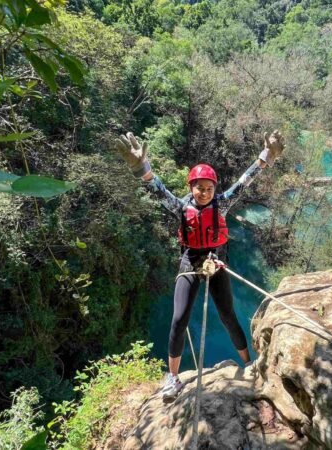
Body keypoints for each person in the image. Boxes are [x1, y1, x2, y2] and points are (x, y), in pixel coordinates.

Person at [115, 130, 285, 400]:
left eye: (209, 188)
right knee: (179, 318)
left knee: (228, 315)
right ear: (190, 187)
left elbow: (246, 180)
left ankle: (248, 364)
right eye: (199, 187)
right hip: (190, 260)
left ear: (214, 189)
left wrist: (266, 156)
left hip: (216, 260)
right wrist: (141, 167)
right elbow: (156, 187)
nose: (204, 192)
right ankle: (172, 378)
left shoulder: (222, 204)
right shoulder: (181, 207)